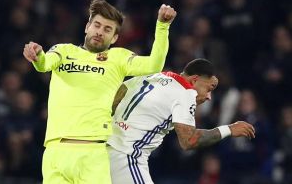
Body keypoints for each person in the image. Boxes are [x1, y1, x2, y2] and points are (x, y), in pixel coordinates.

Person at [23, 0, 176, 184]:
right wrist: (37, 55)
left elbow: (154, 65)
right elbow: (44, 64)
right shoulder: (63, 51)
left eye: (107, 29)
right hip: (55, 152)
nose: (100, 32)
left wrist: (162, 26)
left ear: (114, 38)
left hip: (93, 154)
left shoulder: (118, 58)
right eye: (97, 25)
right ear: (87, 27)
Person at [108, 58, 255, 184]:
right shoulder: (186, 92)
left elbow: (116, 96)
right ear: (195, 80)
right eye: (209, 88)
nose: (209, 96)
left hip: (103, 149)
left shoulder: (155, 76)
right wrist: (228, 129)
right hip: (127, 156)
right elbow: (189, 140)